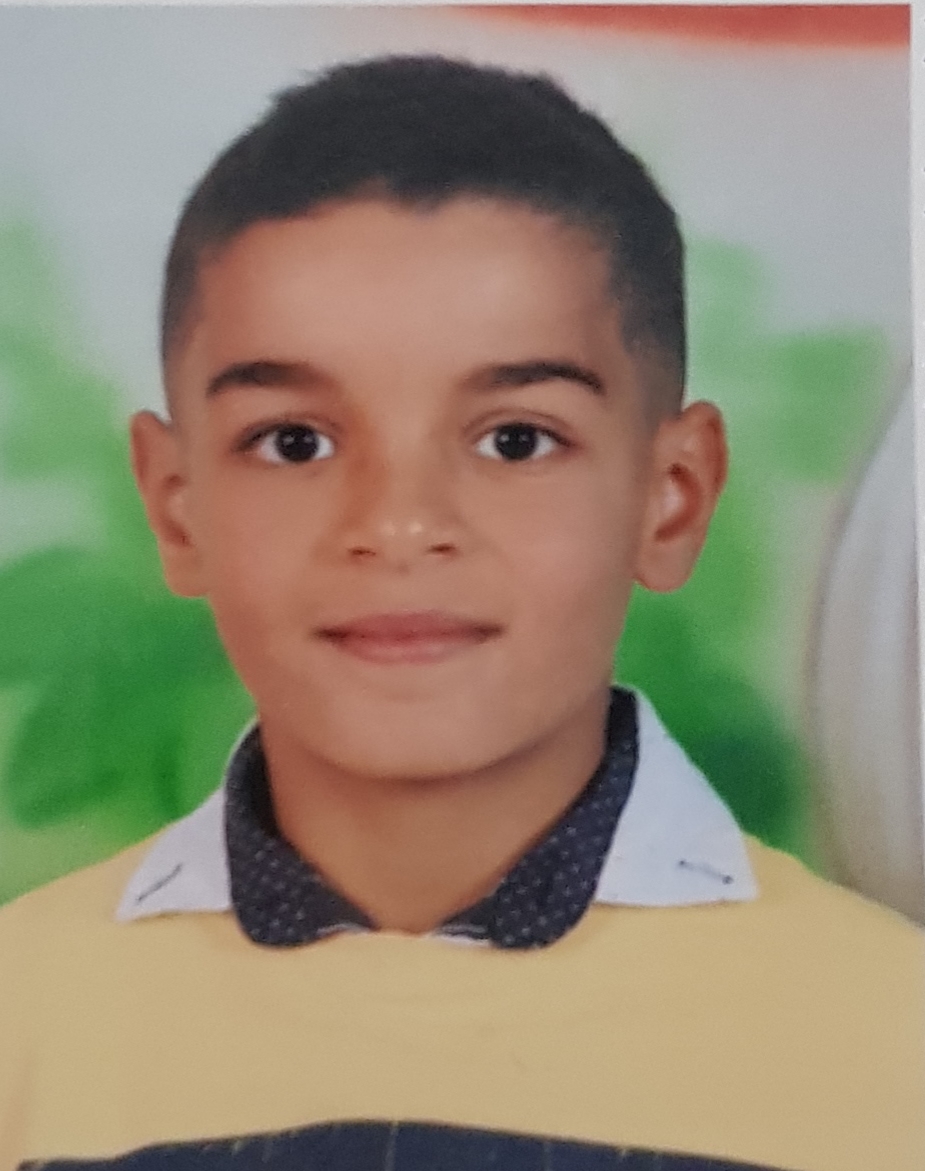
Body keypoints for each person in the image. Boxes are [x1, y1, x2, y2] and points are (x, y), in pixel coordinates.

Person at [0, 55, 921, 1171]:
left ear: (670, 496)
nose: (397, 526)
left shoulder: (888, 1048)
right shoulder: (23, 1025)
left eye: (514, 440)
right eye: (294, 441)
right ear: (175, 503)